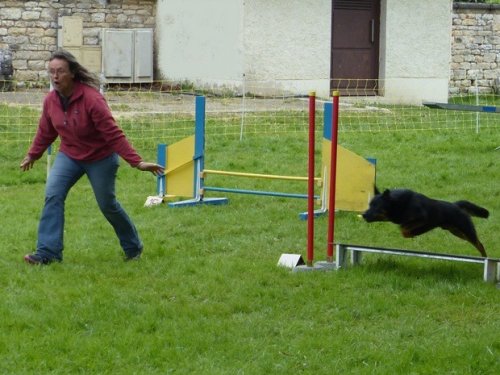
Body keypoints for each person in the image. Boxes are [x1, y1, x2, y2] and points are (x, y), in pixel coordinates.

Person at [20, 49, 164, 265]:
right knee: (53, 195)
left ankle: (133, 247)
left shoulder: (92, 99)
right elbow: (46, 130)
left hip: (101, 158)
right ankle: (48, 253)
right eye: (51, 72)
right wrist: (33, 155)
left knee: (107, 204)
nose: (55, 77)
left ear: (73, 73)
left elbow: (113, 134)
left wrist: (137, 162)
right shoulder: (51, 100)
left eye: (60, 71)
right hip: (69, 155)